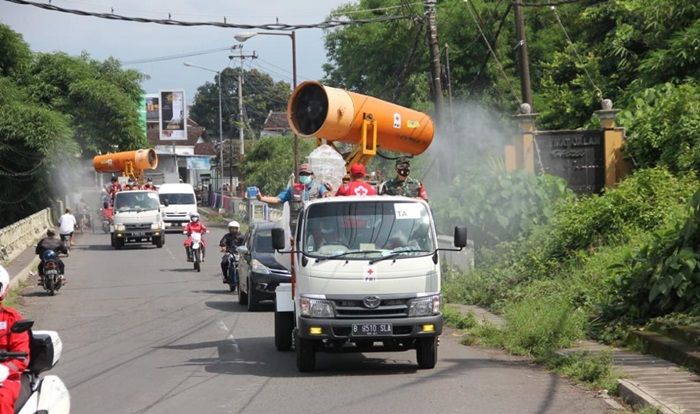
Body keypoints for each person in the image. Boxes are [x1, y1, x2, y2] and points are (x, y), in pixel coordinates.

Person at [0, 265, 30, 414]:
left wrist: (4, 369)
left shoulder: (11, 319)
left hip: (5, 379)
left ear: (4, 290)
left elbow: (22, 357)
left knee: (1, 401)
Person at [256, 163, 330, 206]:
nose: (304, 176)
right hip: (297, 225)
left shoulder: (318, 186)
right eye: (302, 174)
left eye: (306, 174)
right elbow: (277, 199)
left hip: (313, 223)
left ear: (312, 175)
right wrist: (261, 198)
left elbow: (325, 193)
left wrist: (327, 194)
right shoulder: (293, 189)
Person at [219, 221, 245, 286]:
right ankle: (225, 277)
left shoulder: (242, 236)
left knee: (246, 265)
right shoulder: (227, 236)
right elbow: (223, 242)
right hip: (229, 252)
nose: (233, 230)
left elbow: (245, 244)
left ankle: (243, 279)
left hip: (240, 253)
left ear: (238, 229)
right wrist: (223, 247)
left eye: (235, 228)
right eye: (231, 228)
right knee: (223, 262)